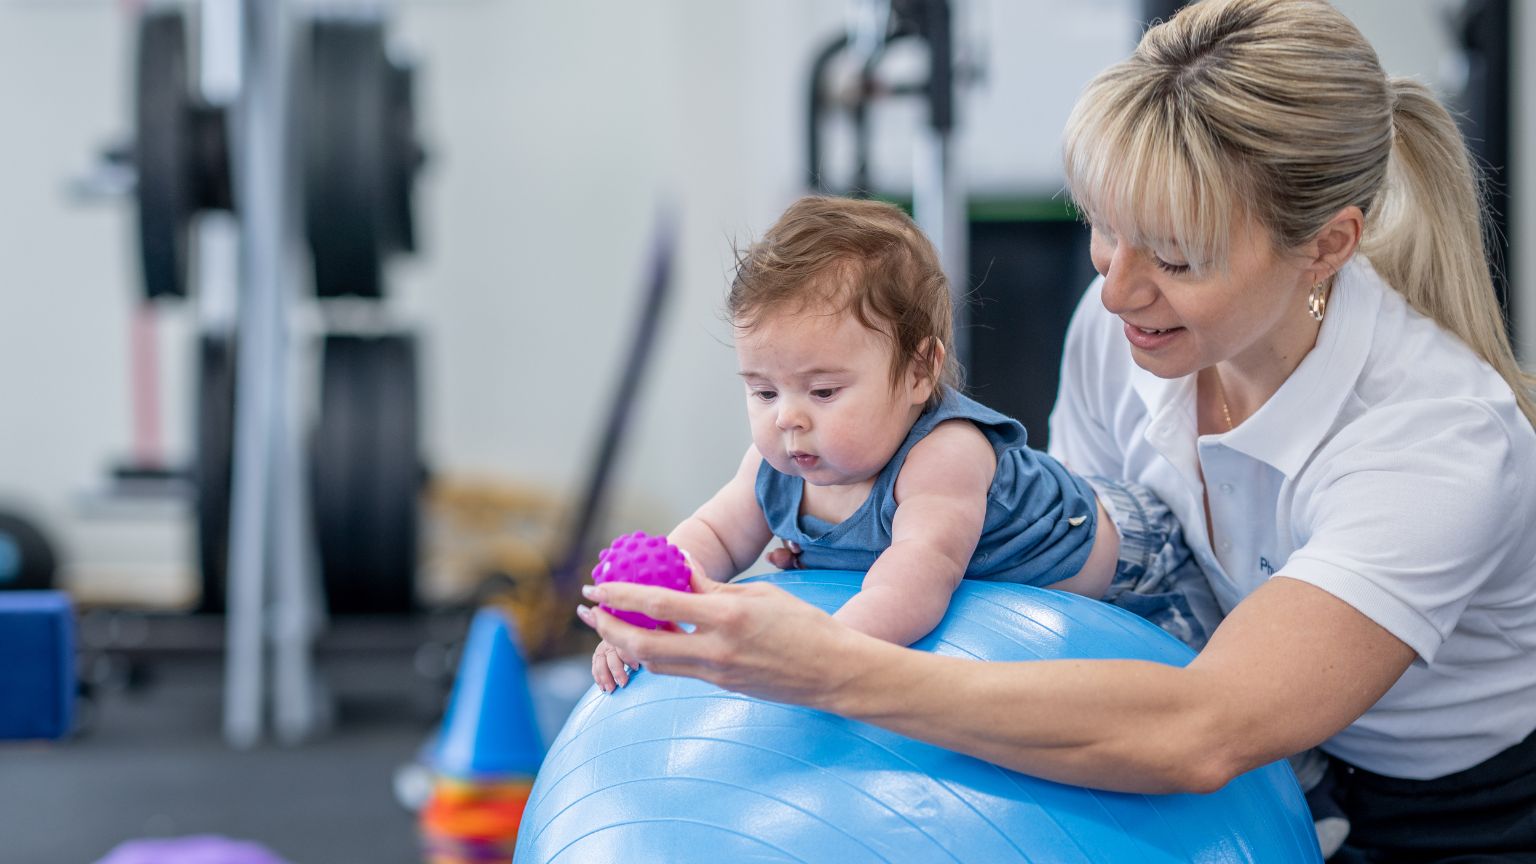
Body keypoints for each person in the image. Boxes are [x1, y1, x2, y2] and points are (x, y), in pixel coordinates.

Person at [577, 1, 1536, 860]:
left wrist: (829, 667)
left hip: (1459, 819)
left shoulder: (1438, 439)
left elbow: (1203, 729)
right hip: (1249, 771)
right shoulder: (1130, 332)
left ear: (1326, 245)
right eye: (1104, 229)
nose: (1114, 289)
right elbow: (1074, 617)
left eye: (1173, 256)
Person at [591, 195, 1124, 693]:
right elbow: (714, 536)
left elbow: (918, 575)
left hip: (1132, 570)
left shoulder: (944, 455)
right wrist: (647, 614)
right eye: (763, 391)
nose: (788, 417)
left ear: (919, 372)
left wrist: (820, 649)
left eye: (823, 391)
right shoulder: (776, 466)